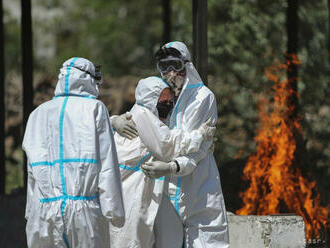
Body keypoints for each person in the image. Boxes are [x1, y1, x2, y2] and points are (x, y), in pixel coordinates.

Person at [22, 57, 125, 248]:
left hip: (43, 212)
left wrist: (31, 210)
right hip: (83, 213)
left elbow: (31, 172)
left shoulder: (37, 114)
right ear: (87, 79)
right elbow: (107, 162)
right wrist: (115, 211)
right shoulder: (94, 108)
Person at [140, 41, 230, 248]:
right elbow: (150, 129)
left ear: (186, 65)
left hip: (198, 187)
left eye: (175, 65)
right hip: (164, 189)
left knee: (208, 242)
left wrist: (172, 166)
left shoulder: (203, 98)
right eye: (164, 67)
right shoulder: (162, 98)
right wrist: (114, 121)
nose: (170, 73)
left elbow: (196, 151)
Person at [110, 76, 214, 248]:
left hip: (136, 188)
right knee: (130, 240)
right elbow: (169, 146)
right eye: (163, 100)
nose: (167, 104)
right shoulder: (143, 115)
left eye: (170, 100)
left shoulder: (143, 114)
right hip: (130, 191)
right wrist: (200, 135)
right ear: (150, 100)